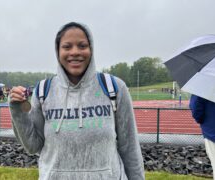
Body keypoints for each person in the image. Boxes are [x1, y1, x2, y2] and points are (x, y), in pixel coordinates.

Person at [9, 22, 144, 180]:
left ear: (91, 49)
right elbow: (32, 146)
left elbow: (130, 149)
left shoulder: (114, 88)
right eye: (67, 47)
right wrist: (17, 110)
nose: (75, 52)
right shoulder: (43, 90)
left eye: (82, 46)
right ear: (58, 51)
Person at [189, 95, 215, 179]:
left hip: (213, 131)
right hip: (213, 130)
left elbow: (196, 108)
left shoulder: (204, 86)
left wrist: (203, 121)